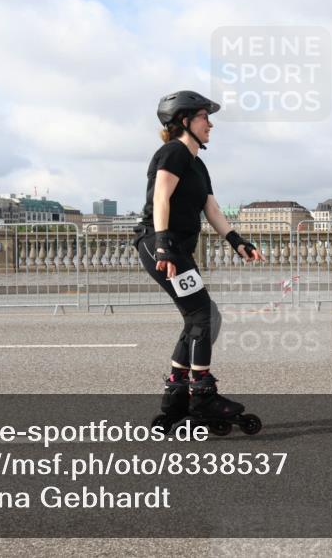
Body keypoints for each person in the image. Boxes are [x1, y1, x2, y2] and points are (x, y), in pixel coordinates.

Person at [133, 90, 263, 428]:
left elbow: (212, 209)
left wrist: (237, 241)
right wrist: (163, 243)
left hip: (177, 248)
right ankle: (202, 393)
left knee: (199, 317)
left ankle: (177, 392)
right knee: (203, 315)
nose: (211, 124)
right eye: (205, 117)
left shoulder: (198, 164)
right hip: (161, 245)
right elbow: (161, 196)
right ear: (184, 121)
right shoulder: (173, 152)